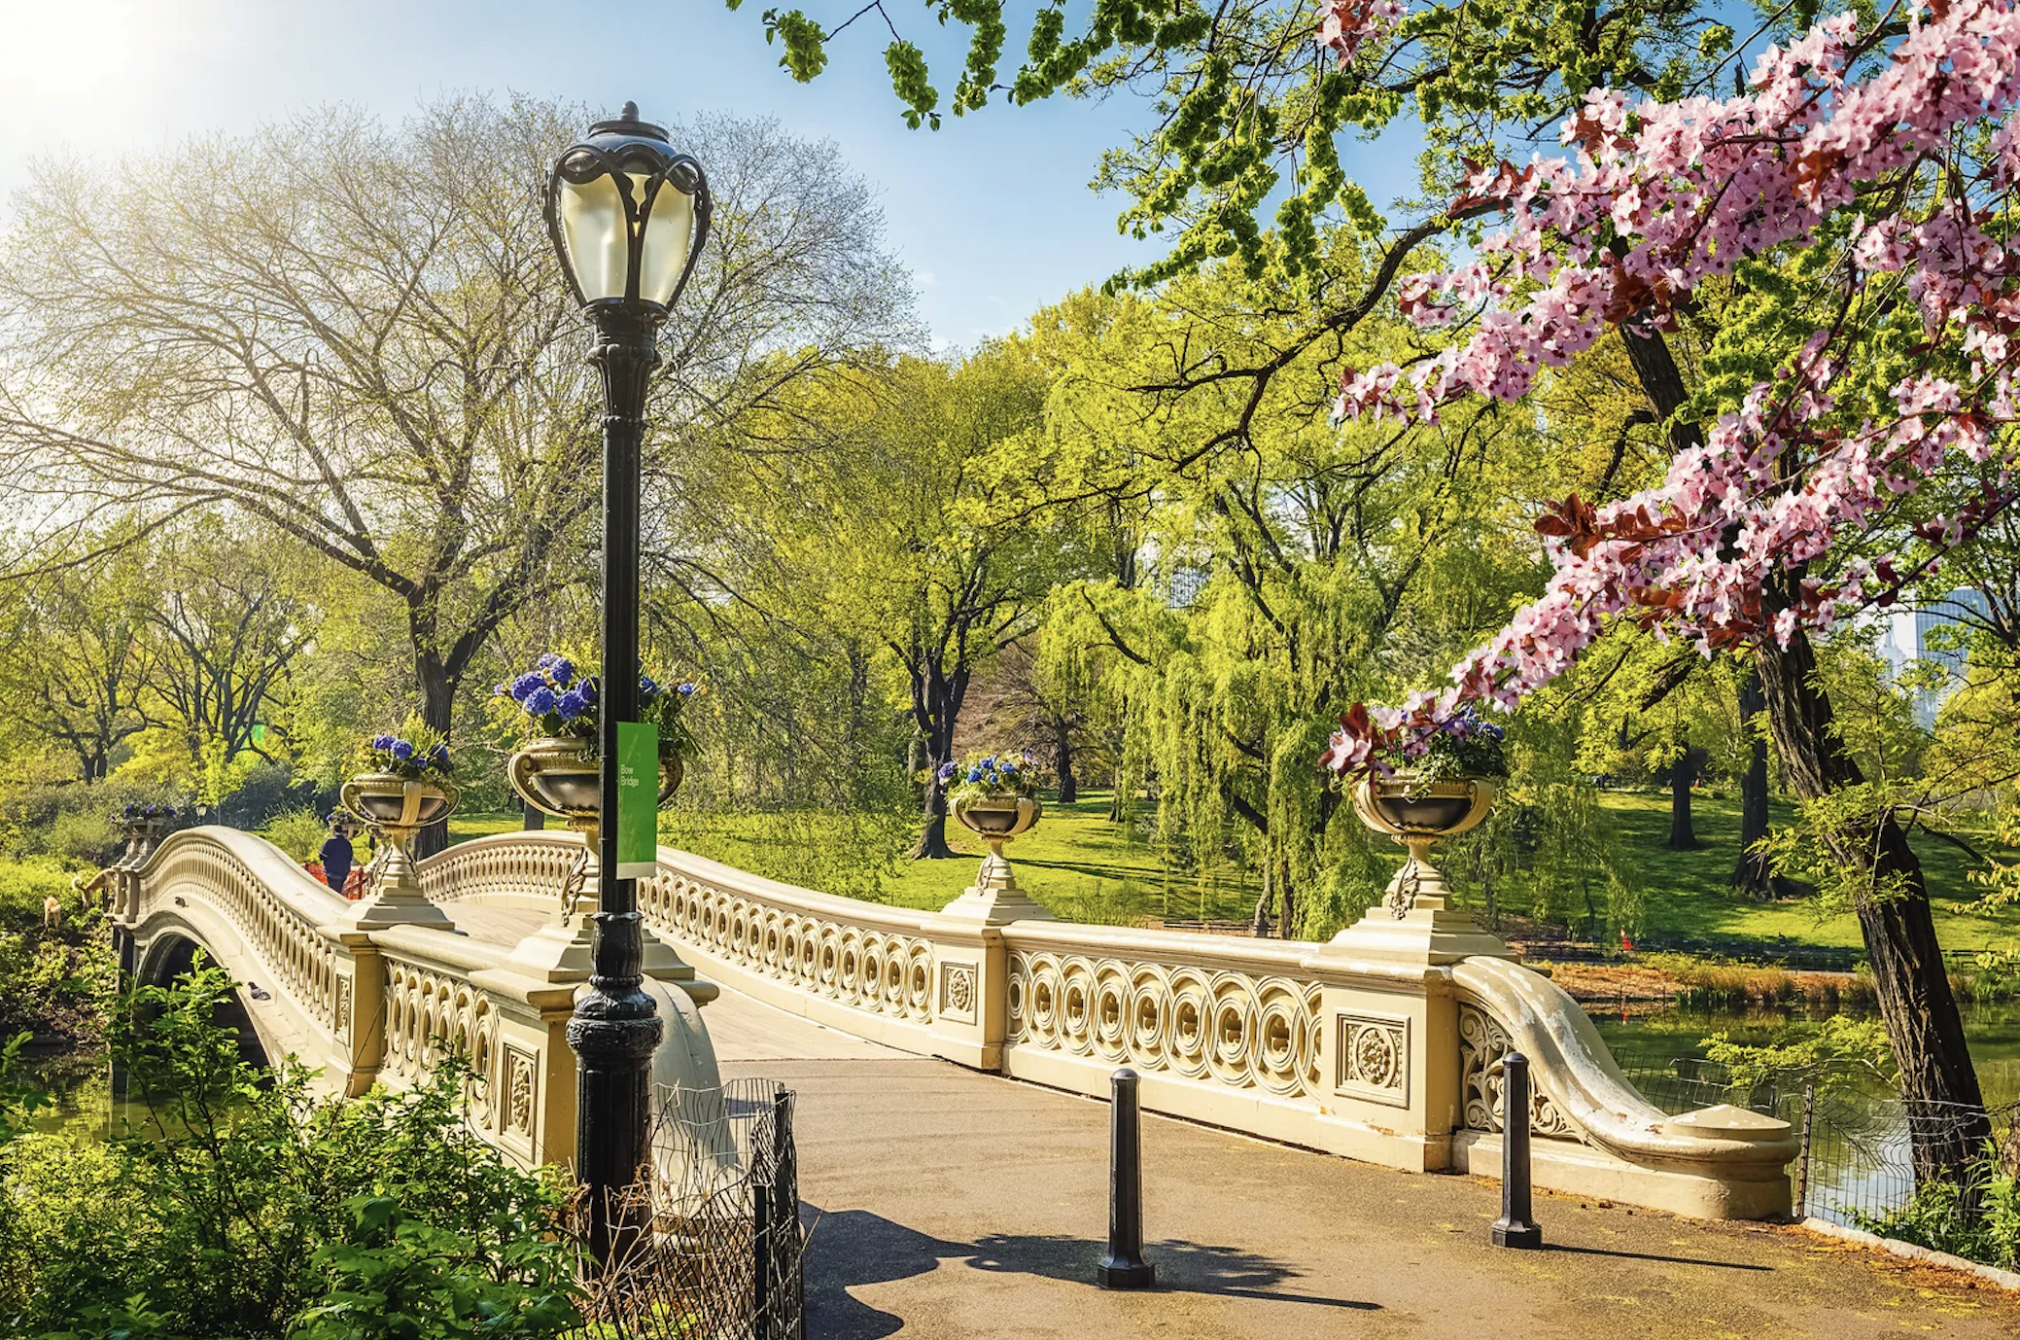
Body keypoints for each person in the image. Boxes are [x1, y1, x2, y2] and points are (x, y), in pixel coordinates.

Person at [319, 817, 355, 897]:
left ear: (334, 831)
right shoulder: (347, 843)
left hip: (331, 871)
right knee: (339, 890)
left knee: (333, 893)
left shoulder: (330, 842)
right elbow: (350, 856)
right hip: (343, 872)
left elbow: (322, 855)